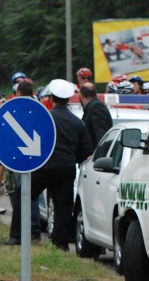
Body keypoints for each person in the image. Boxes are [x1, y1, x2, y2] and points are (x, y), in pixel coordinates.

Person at [9, 79, 93, 251]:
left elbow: (32, 142)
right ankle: (60, 242)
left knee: (22, 195)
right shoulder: (78, 122)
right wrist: (71, 159)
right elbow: (85, 152)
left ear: (51, 99)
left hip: (43, 168)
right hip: (66, 169)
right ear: (68, 99)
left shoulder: (45, 118)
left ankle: (17, 235)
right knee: (63, 206)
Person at [79, 82, 112, 148]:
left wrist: (98, 154)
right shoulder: (92, 107)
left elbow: (101, 133)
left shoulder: (96, 108)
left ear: (81, 96)